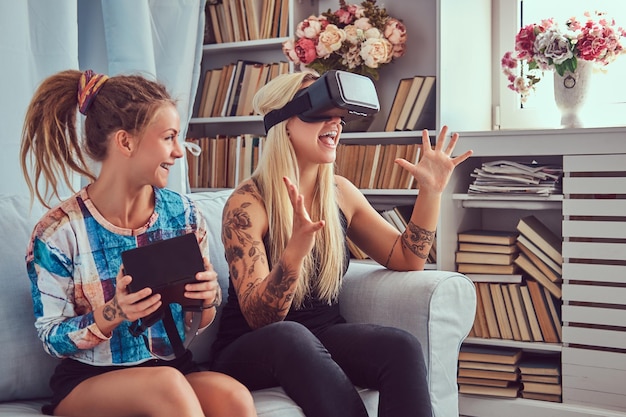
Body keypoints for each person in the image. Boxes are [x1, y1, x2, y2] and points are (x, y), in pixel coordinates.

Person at [210, 71, 473, 417]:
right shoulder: (248, 204)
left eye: (340, 116)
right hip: (251, 349)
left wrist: (431, 193)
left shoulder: (341, 192)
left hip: (319, 335)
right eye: (323, 112)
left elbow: (407, 258)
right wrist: (294, 252)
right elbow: (262, 319)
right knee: (290, 336)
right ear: (284, 123)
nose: (336, 123)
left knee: (401, 346)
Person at [20, 69, 257, 417]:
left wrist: (206, 300)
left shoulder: (184, 215)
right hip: (90, 380)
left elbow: (200, 320)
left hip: (172, 367)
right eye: (169, 137)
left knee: (235, 399)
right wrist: (115, 312)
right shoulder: (58, 232)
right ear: (125, 142)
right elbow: (51, 338)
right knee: (167, 386)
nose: (179, 152)